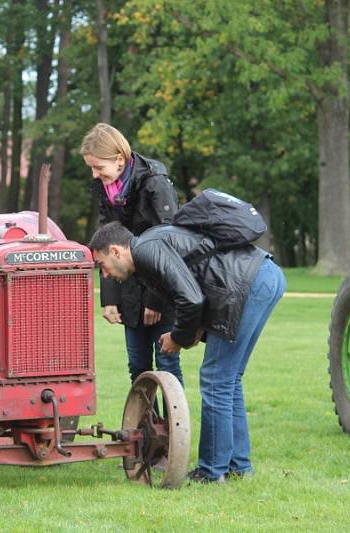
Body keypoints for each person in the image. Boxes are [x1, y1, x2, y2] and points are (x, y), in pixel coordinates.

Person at [89, 221, 285, 483]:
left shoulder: (148, 250)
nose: (104, 275)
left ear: (116, 251)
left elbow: (191, 299)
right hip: (263, 275)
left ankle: (211, 472)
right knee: (228, 378)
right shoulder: (148, 251)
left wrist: (177, 338)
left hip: (249, 283)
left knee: (216, 378)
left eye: (102, 265)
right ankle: (239, 466)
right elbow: (194, 285)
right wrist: (193, 331)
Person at [80, 123, 183, 386]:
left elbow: (169, 245)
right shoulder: (108, 187)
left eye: (98, 167)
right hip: (129, 294)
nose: (94, 174)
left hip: (161, 293)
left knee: (167, 366)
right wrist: (110, 298)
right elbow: (107, 242)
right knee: (137, 366)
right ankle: (143, 427)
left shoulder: (155, 184)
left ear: (118, 159)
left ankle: (173, 427)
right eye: (91, 167)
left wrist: (155, 300)